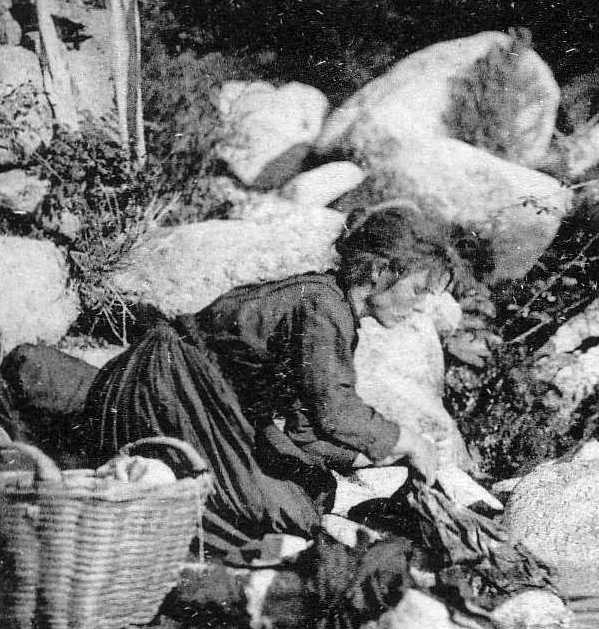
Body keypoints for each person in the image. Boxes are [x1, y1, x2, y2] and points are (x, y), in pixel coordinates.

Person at [82, 202, 453, 559]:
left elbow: (305, 427)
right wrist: (409, 442)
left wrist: (364, 455)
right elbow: (336, 411)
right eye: (419, 290)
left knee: (306, 493)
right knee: (282, 514)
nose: (421, 306)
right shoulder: (322, 308)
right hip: (166, 392)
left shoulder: (328, 302)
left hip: (187, 396)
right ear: (378, 272)